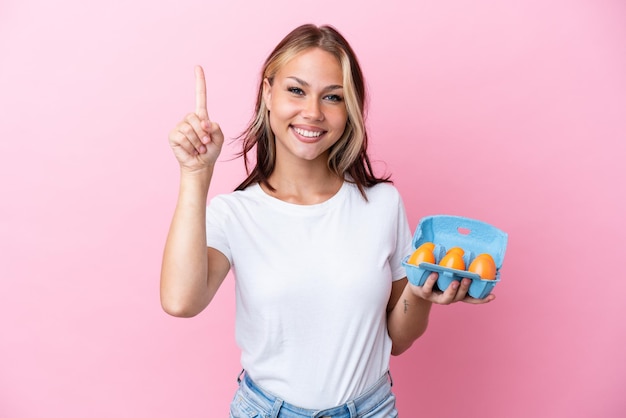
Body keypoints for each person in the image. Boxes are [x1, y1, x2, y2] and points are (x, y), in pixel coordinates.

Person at [161, 23, 494, 417]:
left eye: (332, 97)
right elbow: (181, 301)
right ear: (268, 93)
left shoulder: (382, 204)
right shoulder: (234, 214)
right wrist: (196, 175)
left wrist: (420, 296)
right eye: (296, 90)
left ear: (349, 108)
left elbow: (398, 339)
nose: (313, 113)